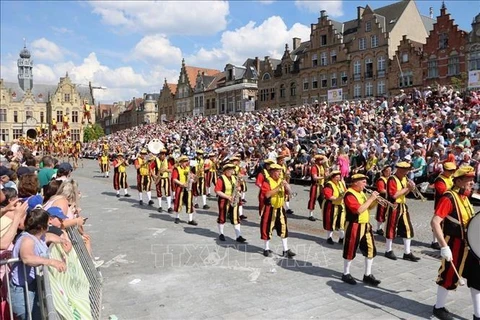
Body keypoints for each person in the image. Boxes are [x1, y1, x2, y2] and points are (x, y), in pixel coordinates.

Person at [431, 166, 480, 320]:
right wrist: (444, 247)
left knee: (477, 279)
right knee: (448, 276)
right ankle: (438, 308)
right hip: (455, 243)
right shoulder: (449, 197)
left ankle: (478, 315)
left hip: (470, 245)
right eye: (468, 180)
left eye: (473, 180)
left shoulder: (465, 197)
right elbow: (435, 222)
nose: (472, 183)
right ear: (458, 181)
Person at [9, 208, 66, 320]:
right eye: (47, 223)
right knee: (30, 317)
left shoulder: (38, 236)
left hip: (33, 285)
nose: (49, 225)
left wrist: (62, 241)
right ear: (41, 227)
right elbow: (27, 258)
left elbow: (48, 237)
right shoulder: (27, 240)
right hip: (23, 290)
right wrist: (52, 262)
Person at [341, 173, 381, 286]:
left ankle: (367, 275)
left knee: (370, 250)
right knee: (350, 249)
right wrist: (371, 198)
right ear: (355, 182)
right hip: (354, 224)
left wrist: (375, 201)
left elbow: (368, 207)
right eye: (363, 182)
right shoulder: (349, 194)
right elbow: (358, 210)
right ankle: (346, 273)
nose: (365, 184)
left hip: (366, 225)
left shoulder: (361, 193)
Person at [384, 161, 420, 262]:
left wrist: (410, 189)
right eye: (405, 170)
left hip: (403, 205)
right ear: (399, 169)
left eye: (407, 170)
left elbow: (404, 193)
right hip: (394, 205)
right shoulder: (392, 179)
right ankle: (388, 250)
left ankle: (407, 252)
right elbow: (393, 195)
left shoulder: (404, 178)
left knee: (408, 228)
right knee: (391, 227)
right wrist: (407, 188)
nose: (407, 173)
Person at [260, 164, 295, 258]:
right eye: (277, 171)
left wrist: (288, 188)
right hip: (269, 208)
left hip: (280, 207)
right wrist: (279, 187)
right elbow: (267, 194)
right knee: (267, 228)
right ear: (271, 172)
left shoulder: (281, 180)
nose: (279, 173)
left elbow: (288, 192)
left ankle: (285, 250)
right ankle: (266, 248)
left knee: (283, 228)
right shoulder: (267, 181)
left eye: (280, 171)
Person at [214, 163, 246, 243]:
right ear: (225, 171)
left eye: (232, 170)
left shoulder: (234, 178)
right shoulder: (221, 178)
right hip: (224, 200)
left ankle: (238, 236)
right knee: (222, 217)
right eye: (230, 170)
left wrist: (239, 187)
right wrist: (228, 197)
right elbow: (217, 191)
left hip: (234, 199)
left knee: (236, 217)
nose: (232, 171)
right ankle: (221, 233)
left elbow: (238, 187)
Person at [431, 162, 456, 250]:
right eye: (450, 171)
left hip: (449, 204)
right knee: (438, 223)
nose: (452, 172)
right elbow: (443, 192)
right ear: (445, 170)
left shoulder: (450, 177)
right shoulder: (439, 180)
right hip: (440, 204)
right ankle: (434, 241)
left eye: (453, 171)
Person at [171, 155, 197, 225]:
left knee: (189, 203)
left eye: (187, 161)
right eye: (185, 161)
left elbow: (192, 177)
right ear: (181, 162)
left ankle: (190, 220)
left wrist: (193, 177)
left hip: (188, 188)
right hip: (180, 187)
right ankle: (177, 217)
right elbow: (174, 179)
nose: (187, 162)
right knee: (178, 202)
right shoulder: (177, 169)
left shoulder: (188, 169)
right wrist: (181, 184)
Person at [322, 170, 346, 244]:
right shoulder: (329, 184)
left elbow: (345, 191)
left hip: (340, 205)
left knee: (342, 222)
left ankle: (342, 238)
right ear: (332, 178)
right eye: (336, 177)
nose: (338, 178)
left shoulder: (341, 183)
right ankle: (329, 237)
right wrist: (339, 198)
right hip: (331, 205)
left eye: (339, 177)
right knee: (331, 221)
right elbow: (328, 196)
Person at [307, 155, 327, 222]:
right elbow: (315, 177)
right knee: (312, 199)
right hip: (315, 185)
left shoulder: (322, 167)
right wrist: (323, 177)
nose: (322, 161)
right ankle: (310, 215)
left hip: (321, 186)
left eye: (322, 160)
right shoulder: (314, 167)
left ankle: (324, 216)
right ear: (317, 161)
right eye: (320, 160)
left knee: (323, 201)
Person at [374, 165, 391, 235]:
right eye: (387, 171)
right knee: (381, 213)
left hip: (389, 198)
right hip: (383, 198)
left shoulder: (390, 179)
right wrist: (391, 191)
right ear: (384, 172)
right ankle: (379, 228)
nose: (389, 172)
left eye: (390, 170)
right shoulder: (381, 179)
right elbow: (381, 190)